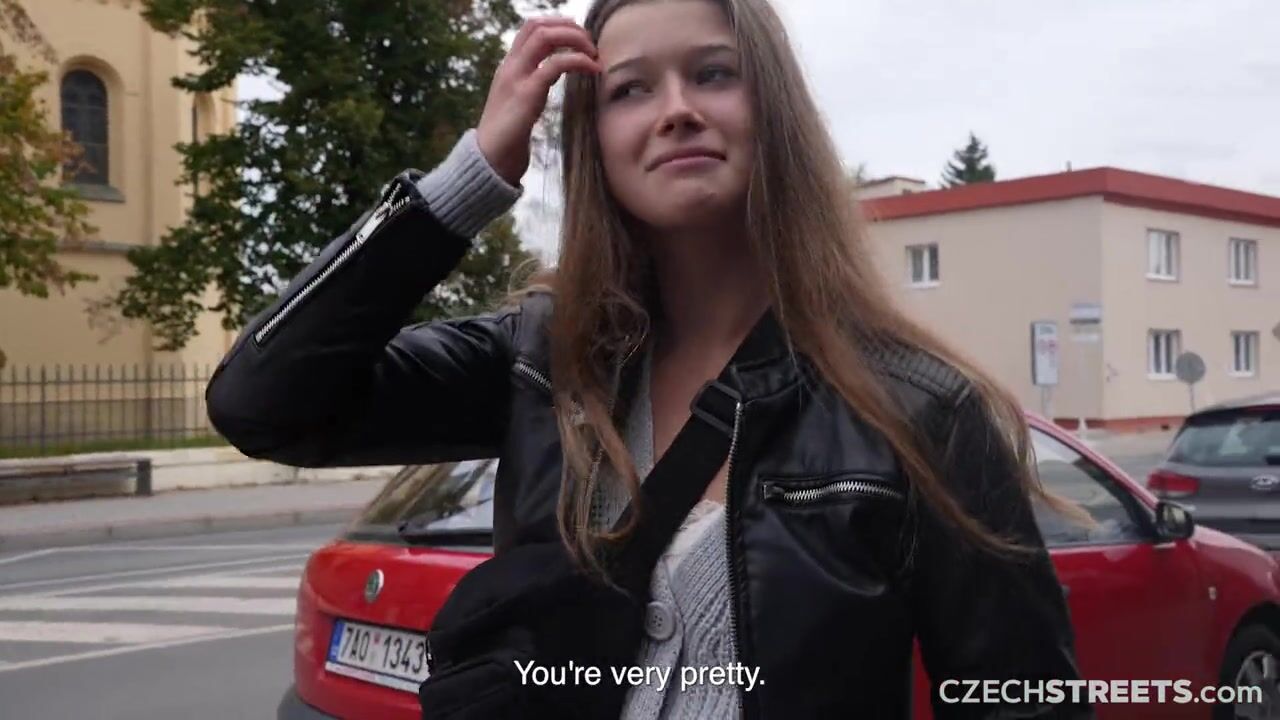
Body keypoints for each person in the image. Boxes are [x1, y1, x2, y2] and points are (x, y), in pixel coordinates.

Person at [206, 0, 1096, 717]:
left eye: (714, 74)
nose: (677, 109)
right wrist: (468, 179)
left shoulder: (922, 411)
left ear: (775, 113)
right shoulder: (540, 364)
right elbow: (262, 403)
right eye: (630, 89)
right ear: (593, 141)